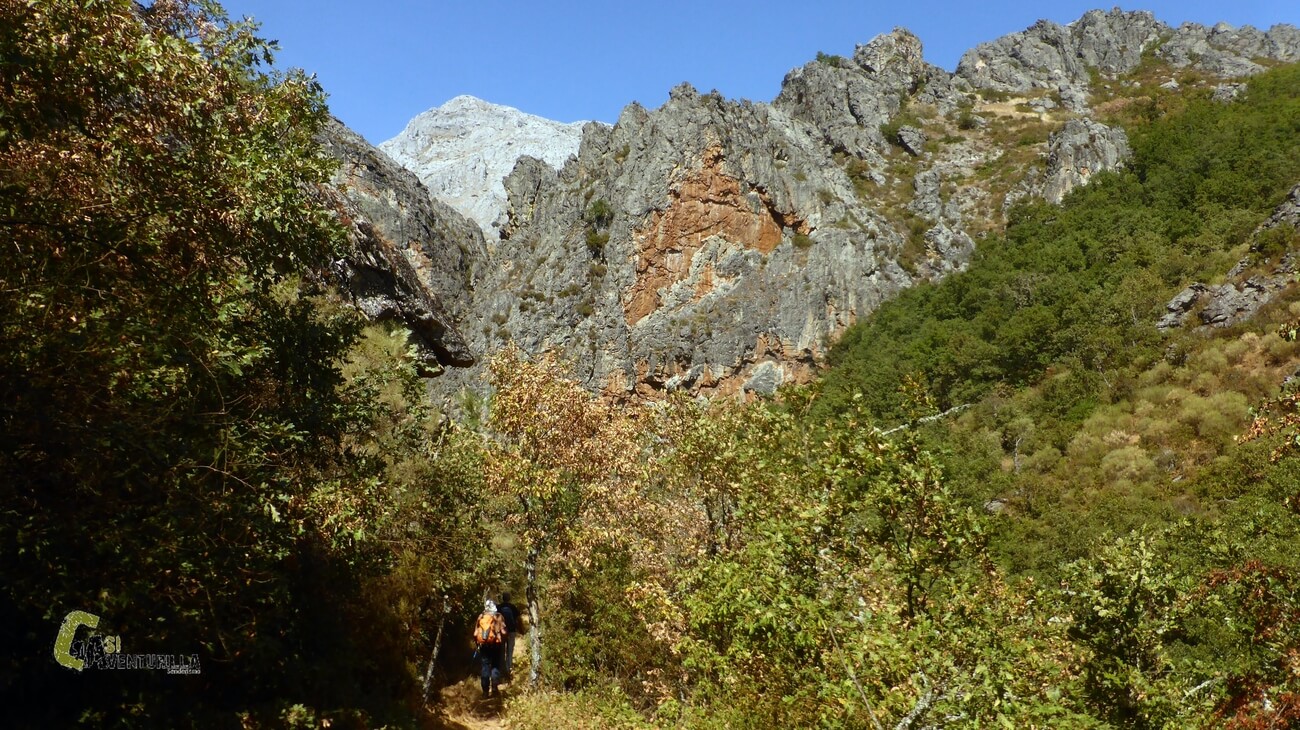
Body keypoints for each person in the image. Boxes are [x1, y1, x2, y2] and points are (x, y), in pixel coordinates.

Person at [473, 599, 507, 697]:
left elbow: (475, 633)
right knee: (495, 666)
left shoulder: (481, 617)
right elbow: (504, 632)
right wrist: (503, 641)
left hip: (484, 646)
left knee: (485, 667)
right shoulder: (499, 616)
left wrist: (478, 643)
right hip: (496, 646)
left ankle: (485, 692)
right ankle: (495, 689)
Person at [497, 592, 520, 679]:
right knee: (510, 650)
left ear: (502, 598)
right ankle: (508, 667)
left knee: (502, 650)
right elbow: (518, 618)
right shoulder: (513, 607)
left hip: (501, 632)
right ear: (509, 598)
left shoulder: (498, 607)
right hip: (511, 631)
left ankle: (502, 668)